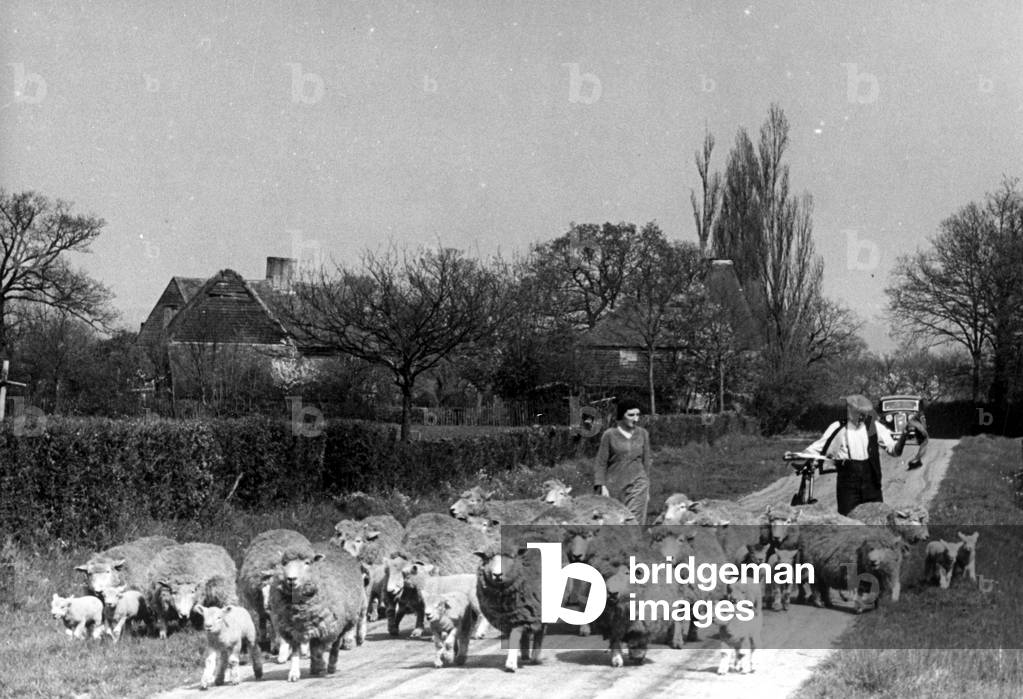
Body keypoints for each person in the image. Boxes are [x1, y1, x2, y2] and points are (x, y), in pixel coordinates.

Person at [789, 394, 909, 516]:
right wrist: (796, 456)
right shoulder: (838, 427)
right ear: (850, 411)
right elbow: (817, 447)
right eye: (859, 413)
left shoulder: (874, 426)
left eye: (865, 414)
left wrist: (904, 434)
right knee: (848, 520)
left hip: (871, 482)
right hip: (848, 482)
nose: (863, 417)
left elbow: (894, 450)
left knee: (877, 519)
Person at [593, 399, 651, 524]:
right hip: (615, 484)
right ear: (621, 416)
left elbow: (646, 462)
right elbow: (601, 462)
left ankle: (635, 542)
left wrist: (647, 488)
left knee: (633, 522)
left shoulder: (643, 434)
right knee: (615, 522)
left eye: (637, 415)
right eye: (631, 415)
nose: (635, 419)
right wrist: (601, 485)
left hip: (638, 483)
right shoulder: (609, 435)